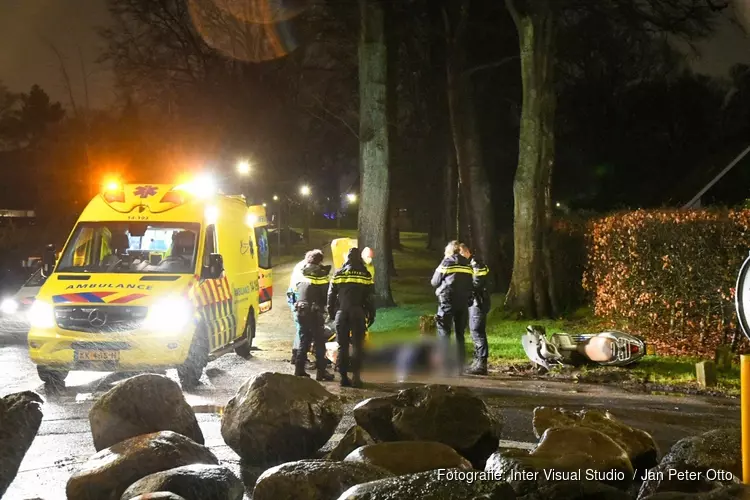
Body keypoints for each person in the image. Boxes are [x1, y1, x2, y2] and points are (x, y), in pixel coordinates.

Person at [327, 247, 375, 387]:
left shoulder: (338, 274)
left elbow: (330, 295)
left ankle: (343, 378)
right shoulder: (365, 274)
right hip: (358, 313)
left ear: (346, 259)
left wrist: (332, 312)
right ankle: (356, 377)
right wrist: (372, 314)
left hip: (342, 313)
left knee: (342, 346)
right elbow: (370, 297)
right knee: (358, 346)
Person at [430, 240, 473, 375]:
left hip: (447, 303)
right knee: (460, 335)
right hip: (463, 303)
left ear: (449, 251)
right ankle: (460, 366)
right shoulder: (467, 264)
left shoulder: (446, 263)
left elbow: (434, 281)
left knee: (444, 333)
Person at [293, 250, 334, 380]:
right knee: (319, 342)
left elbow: (295, 292)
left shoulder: (301, 274)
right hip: (314, 312)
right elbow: (326, 295)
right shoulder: (321, 275)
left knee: (304, 340)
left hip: (301, 311)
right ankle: (321, 373)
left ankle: (299, 370)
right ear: (320, 260)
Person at [459, 243, 491, 375]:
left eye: (460, 252)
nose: (459, 255)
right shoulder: (471, 263)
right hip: (475, 302)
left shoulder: (476, 263)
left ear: (466, 251)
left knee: (477, 332)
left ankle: (481, 364)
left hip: (479, 302)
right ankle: (477, 361)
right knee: (474, 332)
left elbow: (477, 282)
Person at [287, 256, 306, 365]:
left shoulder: (302, 264)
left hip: (294, 296)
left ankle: (296, 355)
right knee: (302, 328)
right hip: (297, 297)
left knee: (301, 327)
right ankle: (299, 357)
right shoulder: (306, 268)